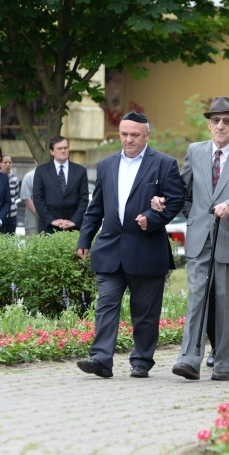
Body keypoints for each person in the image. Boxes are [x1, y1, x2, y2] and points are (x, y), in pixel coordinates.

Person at [76, 112, 184, 379]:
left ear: (146, 135)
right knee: (106, 305)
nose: (128, 139)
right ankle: (101, 359)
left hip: (146, 250)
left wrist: (153, 218)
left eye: (134, 134)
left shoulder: (164, 164)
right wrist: (84, 238)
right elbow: (96, 206)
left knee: (145, 313)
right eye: (124, 134)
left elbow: (176, 199)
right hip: (110, 249)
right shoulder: (106, 165)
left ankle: (142, 361)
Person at [169, 96, 229, 382]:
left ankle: (223, 364)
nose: (220, 126)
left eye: (227, 121)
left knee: (225, 304)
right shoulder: (195, 151)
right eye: (215, 121)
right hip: (199, 238)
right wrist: (195, 215)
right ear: (209, 124)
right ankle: (189, 359)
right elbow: (182, 191)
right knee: (196, 299)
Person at [33, 136, 89, 233]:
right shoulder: (41, 171)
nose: (63, 151)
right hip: (48, 227)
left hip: (73, 227)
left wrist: (74, 221)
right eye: (59, 148)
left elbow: (84, 199)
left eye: (65, 148)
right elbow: (38, 198)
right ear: (52, 151)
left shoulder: (80, 171)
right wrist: (52, 220)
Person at [0, 154, 19, 234]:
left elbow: (16, 195)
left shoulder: (14, 178)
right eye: (5, 162)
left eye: (10, 162)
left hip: (13, 216)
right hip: (0, 216)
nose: (8, 165)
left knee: (11, 240)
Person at [19, 160, 39, 236]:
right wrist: (40, 215)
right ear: (35, 161)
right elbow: (26, 198)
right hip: (32, 223)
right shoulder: (29, 176)